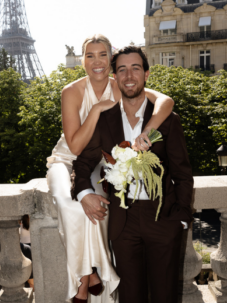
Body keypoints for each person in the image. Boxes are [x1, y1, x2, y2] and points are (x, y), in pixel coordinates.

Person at [47, 35, 175, 303]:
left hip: (98, 160)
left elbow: (166, 101)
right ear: (82, 60)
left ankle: (91, 275)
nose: (97, 61)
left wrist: (149, 129)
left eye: (103, 55)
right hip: (67, 158)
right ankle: (87, 276)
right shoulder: (71, 92)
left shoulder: (121, 85)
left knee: (100, 206)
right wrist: (95, 111)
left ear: (110, 59)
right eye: (90, 55)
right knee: (71, 206)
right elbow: (75, 145)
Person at [71, 45, 194, 303]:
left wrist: (181, 218)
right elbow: (82, 164)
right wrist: (84, 194)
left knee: (165, 295)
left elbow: (182, 173)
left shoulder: (168, 120)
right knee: (130, 297)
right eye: (122, 70)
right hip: (122, 222)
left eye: (135, 68)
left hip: (163, 217)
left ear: (146, 75)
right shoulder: (105, 120)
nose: (129, 76)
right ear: (115, 77)